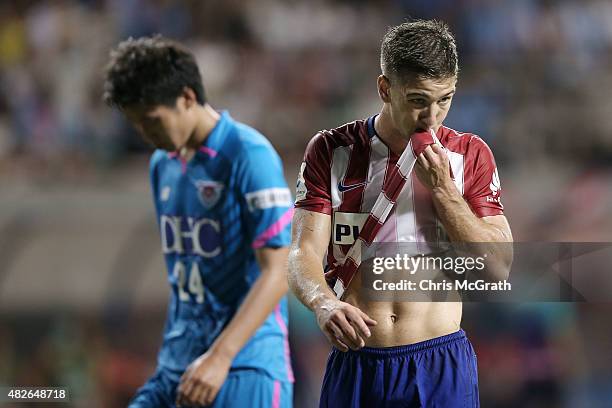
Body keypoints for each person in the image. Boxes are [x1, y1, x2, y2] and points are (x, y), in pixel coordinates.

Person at [288, 20, 513, 407]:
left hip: (439, 360)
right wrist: (323, 303)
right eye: (418, 100)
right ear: (385, 89)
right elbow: (302, 252)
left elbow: (496, 269)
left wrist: (443, 190)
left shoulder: (470, 154)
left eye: (445, 99)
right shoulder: (331, 150)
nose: (433, 117)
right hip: (357, 362)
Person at [103, 36, 294, 408]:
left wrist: (220, 356)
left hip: (243, 366)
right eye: (136, 123)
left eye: (152, 120)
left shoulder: (248, 154)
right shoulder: (163, 164)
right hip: (178, 366)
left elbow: (279, 269)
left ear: (187, 97)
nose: (146, 134)